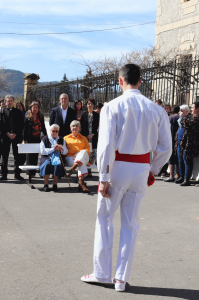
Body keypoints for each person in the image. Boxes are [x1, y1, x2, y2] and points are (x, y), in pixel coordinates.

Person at [81, 64, 172, 292]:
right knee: (131, 223)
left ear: (120, 81)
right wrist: (153, 170)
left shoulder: (112, 107)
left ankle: (102, 273)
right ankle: (120, 279)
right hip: (141, 167)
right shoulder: (157, 109)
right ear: (140, 81)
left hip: (118, 166)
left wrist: (103, 175)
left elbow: (105, 146)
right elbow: (166, 147)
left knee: (105, 218)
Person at [0, 95, 25, 181]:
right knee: (4, 156)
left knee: (17, 156)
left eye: (11, 100)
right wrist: (7, 133)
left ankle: (17, 174)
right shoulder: (2, 112)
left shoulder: (18, 112)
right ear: (5, 102)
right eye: (8, 101)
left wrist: (16, 134)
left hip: (16, 137)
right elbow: (0, 124)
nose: (9, 102)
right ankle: (4, 174)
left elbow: (21, 124)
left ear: (13, 101)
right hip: (5, 136)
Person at [175, 102, 199, 186]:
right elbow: (183, 122)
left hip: (190, 144)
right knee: (180, 160)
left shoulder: (195, 119)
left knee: (187, 161)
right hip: (182, 142)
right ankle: (182, 176)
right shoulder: (190, 117)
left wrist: (183, 117)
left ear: (197, 108)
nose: (191, 109)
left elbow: (185, 123)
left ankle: (186, 178)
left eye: (192, 107)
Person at [64, 120, 91, 193]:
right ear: (70, 128)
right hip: (70, 158)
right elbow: (64, 150)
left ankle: (74, 167)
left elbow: (88, 149)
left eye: (77, 126)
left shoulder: (84, 138)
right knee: (81, 163)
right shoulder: (66, 138)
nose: (75, 127)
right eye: (73, 126)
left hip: (84, 157)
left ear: (79, 128)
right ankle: (81, 184)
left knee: (84, 151)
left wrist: (78, 153)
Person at [39, 124, 68, 192]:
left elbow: (66, 151)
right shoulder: (45, 139)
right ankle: (46, 184)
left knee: (58, 164)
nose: (55, 132)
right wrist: (53, 149)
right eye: (53, 131)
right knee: (47, 164)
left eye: (56, 131)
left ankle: (55, 185)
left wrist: (62, 149)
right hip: (47, 157)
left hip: (57, 157)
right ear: (50, 131)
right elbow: (42, 151)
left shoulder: (61, 139)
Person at [24, 101, 47, 177]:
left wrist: (46, 137)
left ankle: (33, 173)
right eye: (33, 107)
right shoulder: (28, 117)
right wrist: (25, 139)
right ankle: (28, 173)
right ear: (31, 108)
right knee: (29, 156)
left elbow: (43, 127)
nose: (35, 109)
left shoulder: (40, 116)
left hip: (37, 138)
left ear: (38, 108)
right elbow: (25, 129)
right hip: (29, 139)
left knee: (35, 156)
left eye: (36, 107)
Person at [80, 98, 99, 177]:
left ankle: (90, 169)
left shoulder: (97, 115)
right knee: (87, 152)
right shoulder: (83, 115)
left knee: (93, 153)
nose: (90, 105)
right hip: (85, 137)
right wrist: (87, 135)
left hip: (94, 137)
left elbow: (98, 127)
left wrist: (93, 134)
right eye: (88, 104)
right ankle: (87, 169)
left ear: (94, 105)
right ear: (86, 105)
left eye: (91, 103)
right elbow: (82, 127)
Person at [164, 105, 180, 182]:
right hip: (178, 140)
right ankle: (177, 175)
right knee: (177, 158)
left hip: (172, 139)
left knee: (171, 159)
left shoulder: (172, 118)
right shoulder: (180, 117)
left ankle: (171, 176)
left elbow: (169, 130)